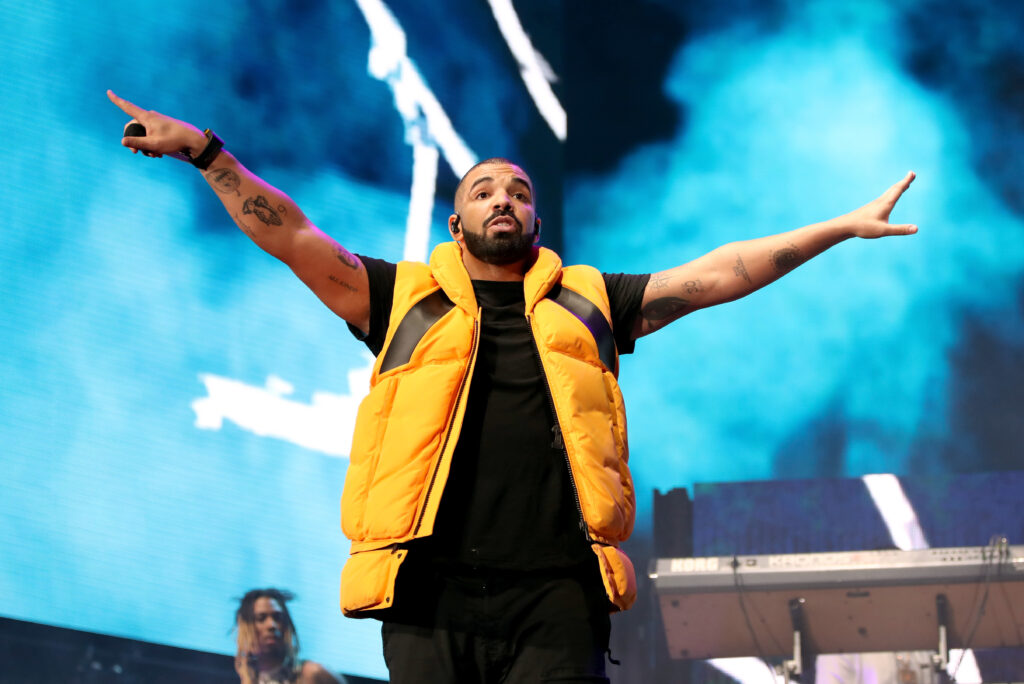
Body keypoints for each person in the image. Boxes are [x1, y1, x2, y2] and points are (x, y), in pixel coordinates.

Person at [108, 90, 918, 684]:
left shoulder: (594, 300)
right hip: (427, 592)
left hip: (556, 596)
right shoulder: (399, 296)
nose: (504, 198)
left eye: (520, 192)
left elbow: (719, 276)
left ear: (537, 223)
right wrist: (203, 151)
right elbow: (288, 232)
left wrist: (838, 228)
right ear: (454, 225)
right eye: (484, 191)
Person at [234, 588, 343, 684]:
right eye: (261, 618)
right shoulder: (249, 679)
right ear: (246, 629)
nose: (271, 625)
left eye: (278, 617)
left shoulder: (313, 673)